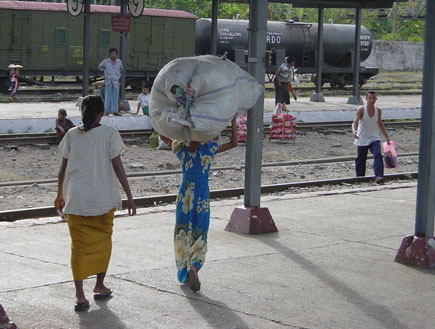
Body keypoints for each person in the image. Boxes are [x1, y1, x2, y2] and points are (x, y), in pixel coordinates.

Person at [54, 95, 136, 312]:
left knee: (78, 247)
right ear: (101, 113)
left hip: (76, 199)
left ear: (82, 112)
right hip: (103, 199)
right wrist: (129, 196)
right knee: (103, 242)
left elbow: (62, 169)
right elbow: (118, 168)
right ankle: (99, 285)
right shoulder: (109, 133)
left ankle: (80, 296)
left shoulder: (71, 134)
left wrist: (59, 194)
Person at [160, 116, 238, 292]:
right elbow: (234, 143)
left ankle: (185, 269)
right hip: (202, 196)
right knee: (200, 231)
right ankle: (194, 266)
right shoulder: (208, 149)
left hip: (185, 194)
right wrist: (232, 121)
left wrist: (162, 123)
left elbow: (164, 136)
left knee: (182, 230)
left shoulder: (180, 148)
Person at [352, 90, 390, 184]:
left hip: (374, 138)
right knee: (361, 158)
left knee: (377, 154)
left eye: (373, 98)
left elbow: (380, 124)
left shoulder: (378, 111)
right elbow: (355, 122)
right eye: (370, 98)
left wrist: (386, 136)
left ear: (376, 99)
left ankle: (379, 177)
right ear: (366, 99)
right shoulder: (361, 109)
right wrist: (354, 131)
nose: (372, 100)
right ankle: (360, 177)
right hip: (362, 138)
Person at [98, 48, 123, 116]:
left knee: (115, 96)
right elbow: (100, 67)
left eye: (114, 53)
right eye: (112, 53)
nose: (113, 55)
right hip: (108, 80)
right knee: (108, 95)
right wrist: (106, 72)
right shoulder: (106, 61)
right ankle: (107, 111)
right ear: (110, 54)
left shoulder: (119, 61)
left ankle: (115, 111)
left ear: (116, 54)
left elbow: (121, 68)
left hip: (115, 80)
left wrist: (116, 75)